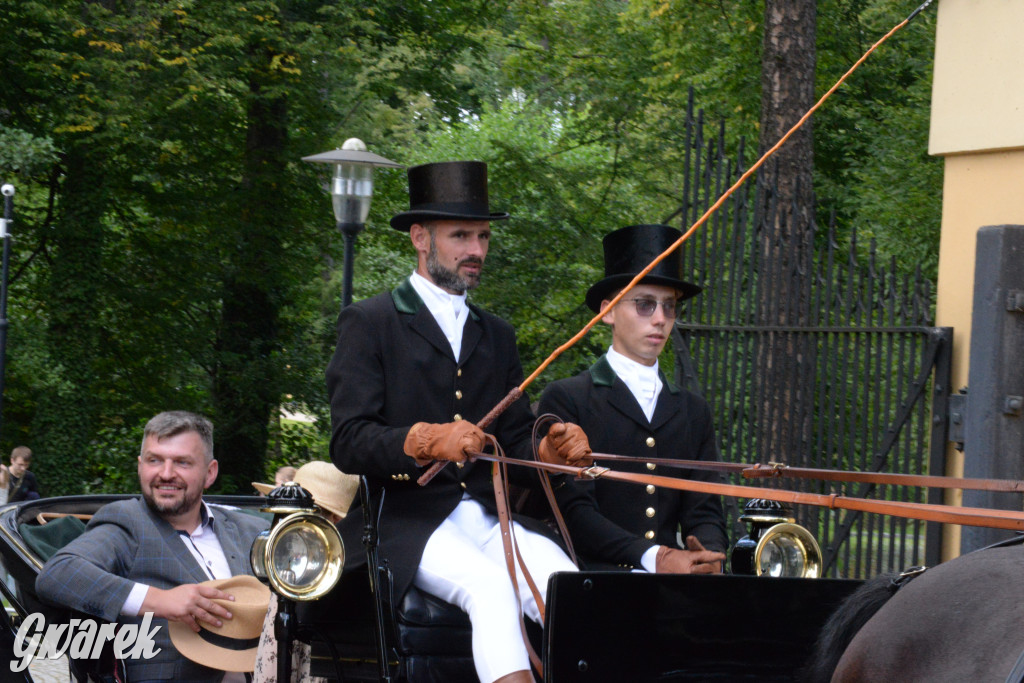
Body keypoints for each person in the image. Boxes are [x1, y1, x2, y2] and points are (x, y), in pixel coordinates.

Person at [326, 160, 590, 683]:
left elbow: (513, 441)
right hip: (407, 520)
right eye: (461, 236)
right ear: (420, 238)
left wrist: (547, 452)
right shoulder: (370, 321)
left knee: (568, 585)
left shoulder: (498, 335)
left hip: (488, 517)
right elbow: (349, 442)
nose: (477, 250)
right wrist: (425, 440)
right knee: (490, 588)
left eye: (483, 236)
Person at [538, 224, 728, 574]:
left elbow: (704, 510)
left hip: (673, 582)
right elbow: (575, 513)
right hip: (594, 577)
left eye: (669, 307)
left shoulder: (693, 411)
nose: (660, 319)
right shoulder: (569, 398)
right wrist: (655, 557)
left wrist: (709, 554)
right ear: (608, 311)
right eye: (644, 304)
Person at [36, 411, 269, 682]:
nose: (166, 474)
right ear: (140, 466)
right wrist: (160, 601)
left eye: (182, 462)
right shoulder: (127, 521)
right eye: (154, 460)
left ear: (209, 473)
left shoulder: (250, 529)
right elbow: (58, 574)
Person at [251, 460, 360, 683]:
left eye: (301, 515)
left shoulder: (331, 578)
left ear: (335, 520)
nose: (285, 524)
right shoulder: (289, 569)